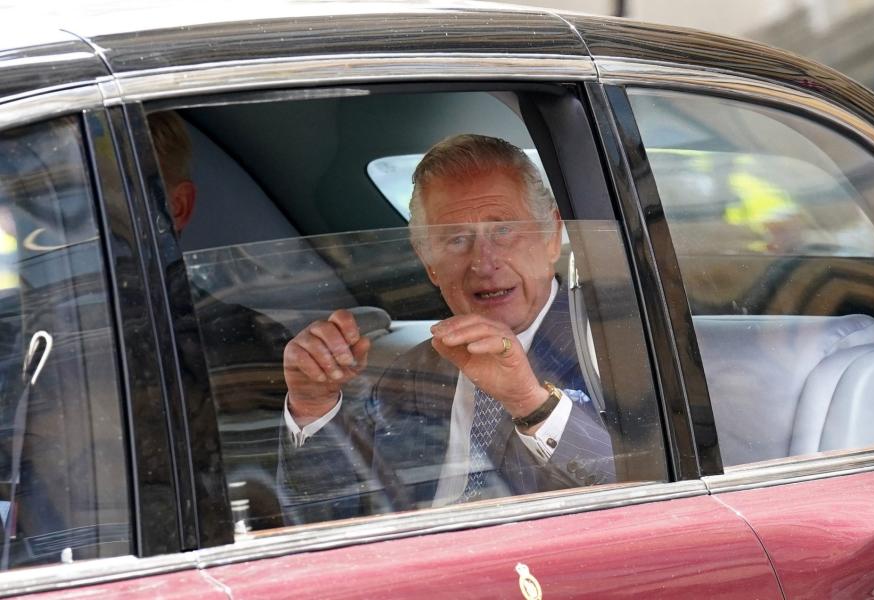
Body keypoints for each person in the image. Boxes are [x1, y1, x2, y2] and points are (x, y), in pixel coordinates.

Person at [278, 134, 614, 522]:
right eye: (456, 239)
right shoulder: (413, 373)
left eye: (503, 230)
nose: (483, 262)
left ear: (551, 237)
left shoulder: (624, 346)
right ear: (429, 263)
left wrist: (528, 401)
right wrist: (312, 407)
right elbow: (330, 519)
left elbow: (650, 503)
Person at [148, 111, 290, 529]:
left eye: (99, 206)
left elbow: (261, 509)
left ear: (176, 208)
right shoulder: (25, 341)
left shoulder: (247, 344)